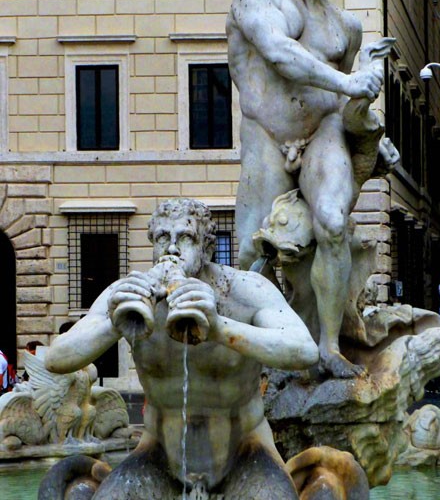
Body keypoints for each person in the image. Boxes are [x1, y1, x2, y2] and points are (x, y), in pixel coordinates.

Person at [43, 198, 318, 499]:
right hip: (160, 453)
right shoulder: (129, 293)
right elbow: (56, 359)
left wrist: (218, 328)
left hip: (244, 451)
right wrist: (114, 323)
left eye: (185, 238)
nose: (171, 249)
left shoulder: (243, 290)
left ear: (207, 248)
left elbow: (304, 350)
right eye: (162, 238)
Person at [227, 0, 398, 378]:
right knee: (248, 251)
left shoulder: (346, 27)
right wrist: (350, 84)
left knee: (332, 223)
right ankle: (238, 350)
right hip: (266, 131)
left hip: (323, 131)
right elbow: (283, 56)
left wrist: (368, 131)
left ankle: (327, 346)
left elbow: (348, 101)